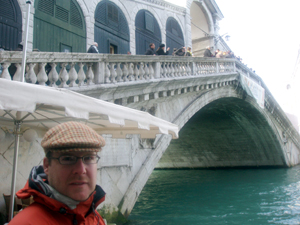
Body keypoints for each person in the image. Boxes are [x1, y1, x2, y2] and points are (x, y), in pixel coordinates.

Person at [9, 121, 106, 225]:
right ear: (46, 166)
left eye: (88, 158)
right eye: (68, 159)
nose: (81, 170)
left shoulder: (94, 218)